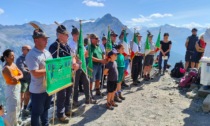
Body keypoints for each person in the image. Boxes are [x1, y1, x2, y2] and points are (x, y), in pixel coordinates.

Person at [25, 23, 52, 126]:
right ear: (36, 40)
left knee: (46, 109)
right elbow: (35, 73)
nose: (47, 41)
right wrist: (49, 70)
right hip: (37, 90)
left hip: (48, 87)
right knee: (36, 113)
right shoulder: (31, 55)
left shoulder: (47, 52)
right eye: (44, 39)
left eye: (46, 39)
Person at [49, 23, 75, 123]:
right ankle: (60, 114)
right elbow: (55, 62)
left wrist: (74, 64)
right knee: (61, 95)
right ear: (60, 35)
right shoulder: (54, 46)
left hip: (69, 73)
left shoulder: (67, 46)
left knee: (69, 93)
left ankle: (67, 110)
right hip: (60, 75)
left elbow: (72, 56)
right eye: (66, 35)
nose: (68, 36)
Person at [68, 26, 96, 106]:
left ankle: (88, 98)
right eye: (76, 34)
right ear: (73, 35)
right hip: (75, 67)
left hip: (82, 66)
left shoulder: (81, 44)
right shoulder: (70, 44)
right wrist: (81, 55)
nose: (78, 36)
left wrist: (87, 52)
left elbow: (85, 55)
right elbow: (72, 56)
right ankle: (75, 101)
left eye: (79, 34)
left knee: (86, 82)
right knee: (75, 85)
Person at [1, 49, 23, 126]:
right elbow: (13, 79)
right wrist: (18, 77)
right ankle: (10, 124)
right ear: (6, 57)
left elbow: (21, 74)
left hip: (16, 88)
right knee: (12, 108)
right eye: (11, 56)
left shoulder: (13, 64)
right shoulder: (6, 68)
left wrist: (18, 77)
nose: (13, 57)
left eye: (13, 55)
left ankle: (15, 123)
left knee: (17, 107)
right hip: (11, 89)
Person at [16, 45, 31, 117]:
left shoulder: (30, 58)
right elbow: (21, 69)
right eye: (28, 49)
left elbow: (33, 67)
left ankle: (25, 108)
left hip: (29, 79)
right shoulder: (19, 59)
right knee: (21, 96)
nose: (29, 51)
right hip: (23, 80)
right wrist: (29, 70)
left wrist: (28, 69)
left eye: (30, 49)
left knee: (27, 95)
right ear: (23, 50)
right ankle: (19, 111)